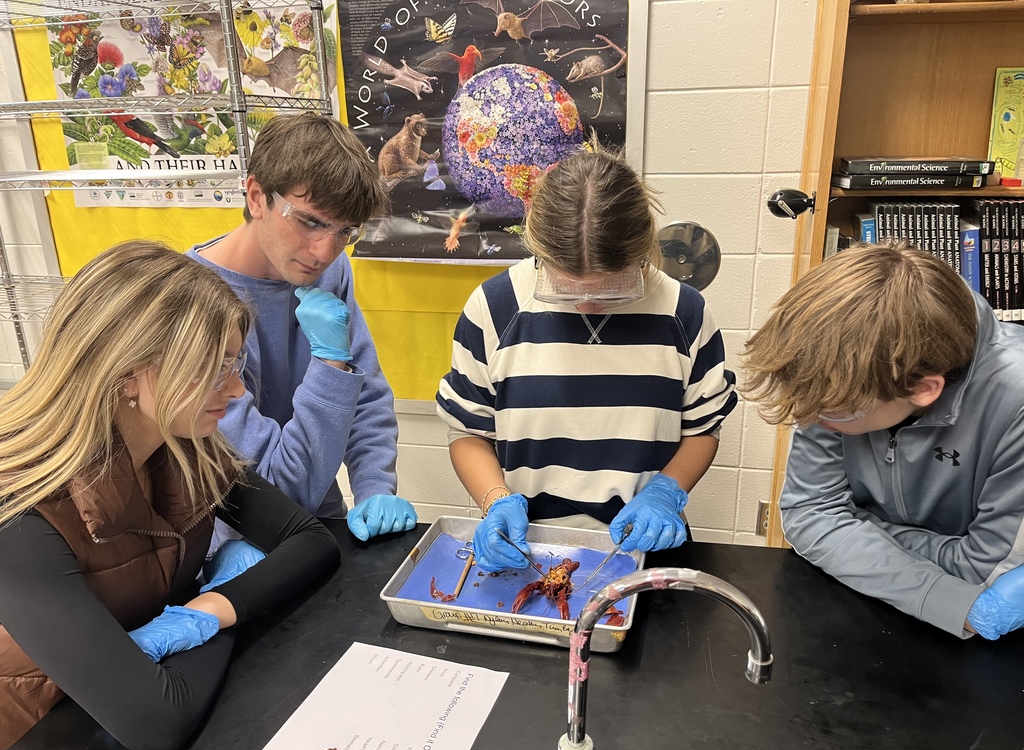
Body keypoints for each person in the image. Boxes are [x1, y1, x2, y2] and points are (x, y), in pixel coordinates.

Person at [0, 242, 341, 750]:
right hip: (38, 734)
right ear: (127, 373)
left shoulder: (184, 446)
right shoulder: (22, 510)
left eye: (235, 363)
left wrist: (210, 610)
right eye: (214, 368)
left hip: (116, 708)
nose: (236, 389)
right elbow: (155, 722)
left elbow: (311, 542)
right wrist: (215, 604)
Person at [436, 141, 737, 572]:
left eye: (611, 288)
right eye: (566, 288)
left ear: (640, 254)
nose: (588, 306)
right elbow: (468, 431)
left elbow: (703, 428)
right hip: (529, 549)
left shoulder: (682, 310)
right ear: (539, 252)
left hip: (640, 547)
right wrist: (495, 499)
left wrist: (666, 490)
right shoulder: (495, 306)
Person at [742, 242, 1024, 641]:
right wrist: (939, 588)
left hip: (980, 640)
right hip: (879, 610)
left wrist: (852, 531)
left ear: (925, 389)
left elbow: (982, 574)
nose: (812, 419)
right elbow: (809, 513)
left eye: (834, 411)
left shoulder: (1016, 400)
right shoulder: (838, 374)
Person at [187, 112, 417, 542]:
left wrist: (373, 487)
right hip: (228, 534)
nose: (325, 250)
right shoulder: (188, 300)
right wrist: (331, 362)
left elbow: (363, 396)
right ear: (256, 196)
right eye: (310, 221)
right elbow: (277, 487)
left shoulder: (329, 270)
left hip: (315, 521)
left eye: (345, 231)